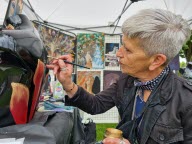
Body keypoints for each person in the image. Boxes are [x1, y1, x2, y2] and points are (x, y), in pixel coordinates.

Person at [47, 9, 192, 144]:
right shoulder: (127, 81)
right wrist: (67, 83)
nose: (118, 53)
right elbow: (96, 105)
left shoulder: (187, 101)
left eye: (128, 50)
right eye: (122, 45)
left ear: (156, 60)